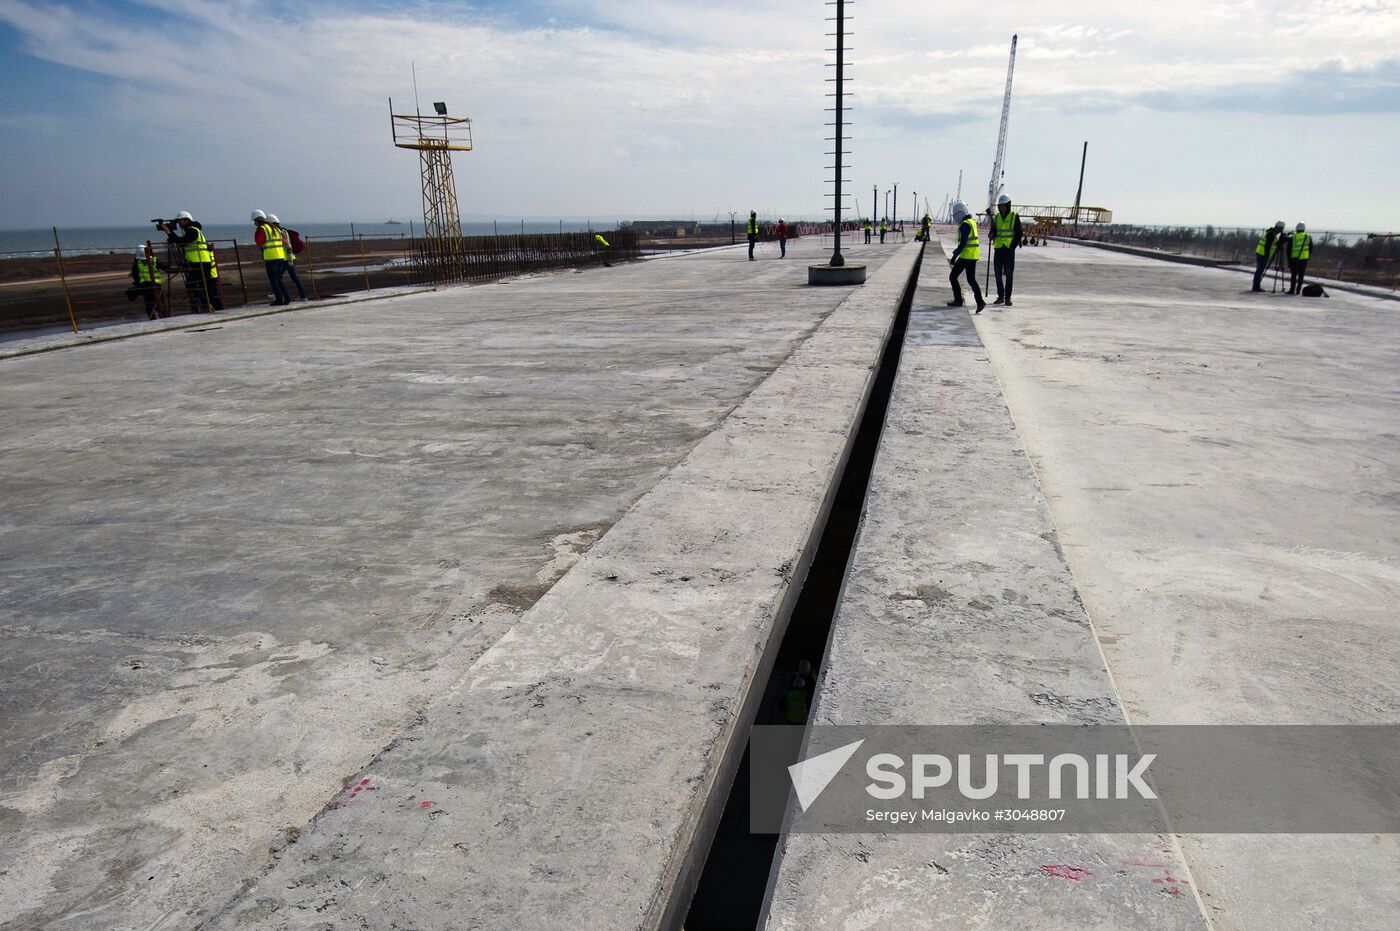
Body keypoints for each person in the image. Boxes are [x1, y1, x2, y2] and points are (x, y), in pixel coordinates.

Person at [157, 210, 223, 312]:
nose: (178, 223)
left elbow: (181, 241)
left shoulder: (193, 231)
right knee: (204, 285)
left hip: (200, 262)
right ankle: (212, 306)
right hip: (199, 261)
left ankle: (208, 305)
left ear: (186, 220)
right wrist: (171, 235)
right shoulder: (191, 231)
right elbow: (181, 241)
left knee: (193, 283)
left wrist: (169, 232)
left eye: (180, 221)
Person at [947, 201, 987, 313]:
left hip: (966, 256)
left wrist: (955, 255)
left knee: (953, 277)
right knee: (971, 280)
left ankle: (958, 300)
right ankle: (980, 302)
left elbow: (964, 242)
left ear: (960, 213)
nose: (955, 218)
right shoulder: (972, 222)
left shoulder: (964, 224)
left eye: (955, 215)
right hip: (973, 255)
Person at [988, 194, 1023, 306]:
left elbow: (1019, 233)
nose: (1002, 208)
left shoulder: (1014, 216)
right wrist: (991, 234)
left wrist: (1012, 246)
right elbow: (994, 231)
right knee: (998, 274)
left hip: (1009, 250)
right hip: (998, 248)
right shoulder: (996, 217)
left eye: (1004, 206)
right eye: (1001, 206)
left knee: (1009, 274)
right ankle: (1001, 296)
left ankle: (1008, 298)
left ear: (1008, 206)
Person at [252, 209, 291, 305]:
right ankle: (287, 297)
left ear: (257, 220)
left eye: (254, 221)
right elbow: (282, 241)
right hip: (280, 256)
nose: (254, 223)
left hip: (271, 257)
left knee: (274, 280)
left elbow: (259, 242)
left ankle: (279, 299)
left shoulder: (262, 229)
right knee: (279, 279)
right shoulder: (274, 228)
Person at [268, 215, 307, 301]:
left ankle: (280, 295)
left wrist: (289, 260)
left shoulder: (281, 232)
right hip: (289, 258)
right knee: (293, 278)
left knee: (278, 278)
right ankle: (303, 296)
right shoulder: (283, 231)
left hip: (286, 259)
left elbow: (287, 246)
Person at [125, 244, 164, 319]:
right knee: (152, 304)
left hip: (154, 285)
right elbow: (135, 274)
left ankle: (158, 317)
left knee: (152, 304)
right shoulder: (138, 262)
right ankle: (156, 318)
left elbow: (164, 267)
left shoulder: (153, 260)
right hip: (147, 285)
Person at [1252, 220, 1286, 292]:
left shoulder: (1271, 233)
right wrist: (1267, 255)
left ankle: (1256, 285)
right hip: (1263, 254)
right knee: (1260, 270)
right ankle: (1256, 286)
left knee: (1259, 270)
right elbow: (1268, 245)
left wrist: (1280, 242)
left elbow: (1273, 243)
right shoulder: (1271, 234)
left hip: (1261, 253)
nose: (1280, 231)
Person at [1288, 222, 1313, 295]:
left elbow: (1289, 249)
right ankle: (1298, 290)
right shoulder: (1308, 236)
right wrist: (1308, 256)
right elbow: (1311, 248)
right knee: (1301, 275)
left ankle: (1292, 290)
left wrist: (1289, 259)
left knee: (1294, 275)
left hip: (1294, 258)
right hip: (1304, 258)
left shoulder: (1293, 237)